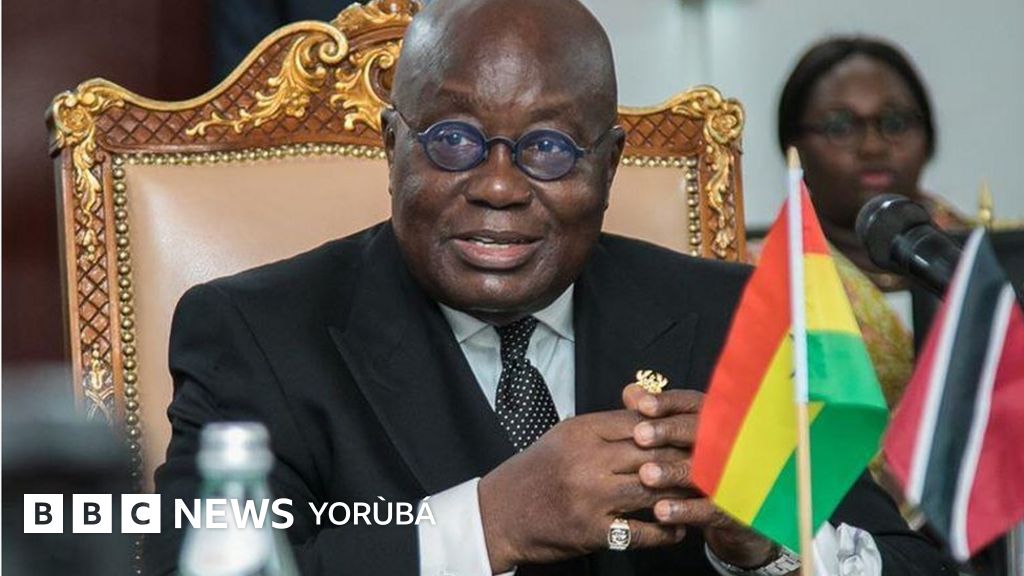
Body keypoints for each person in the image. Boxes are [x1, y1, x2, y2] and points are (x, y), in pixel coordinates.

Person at [147, 4, 954, 575]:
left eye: (549, 147)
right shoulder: (257, 332)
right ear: (392, 147)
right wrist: (489, 523)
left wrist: (768, 542)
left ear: (610, 164)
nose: (499, 187)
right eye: (453, 139)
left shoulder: (728, 317)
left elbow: (915, 565)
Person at [777, 37, 968, 407]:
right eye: (839, 127)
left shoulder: (989, 255)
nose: (873, 147)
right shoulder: (767, 282)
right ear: (793, 148)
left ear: (928, 138)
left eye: (895, 123)